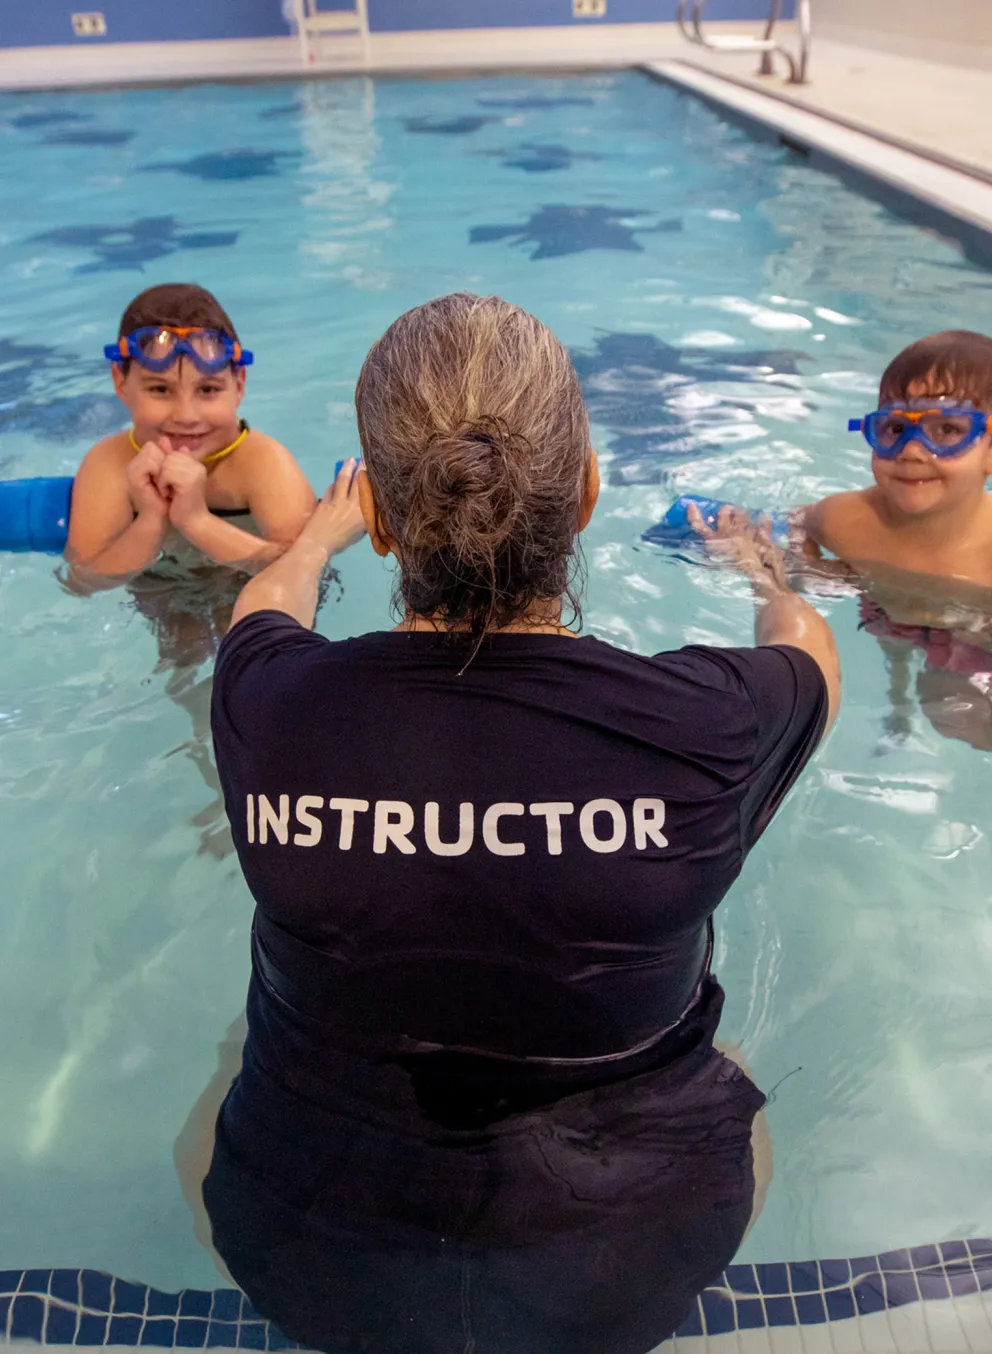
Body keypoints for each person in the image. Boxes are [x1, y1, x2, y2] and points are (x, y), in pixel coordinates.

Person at [202, 293, 840, 1354]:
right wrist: (769, 581)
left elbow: (263, 605)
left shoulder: (268, 706)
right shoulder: (712, 723)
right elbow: (808, 648)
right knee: (716, 1069)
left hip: (299, 1251)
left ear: (389, 522)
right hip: (624, 1269)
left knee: (250, 1035)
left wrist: (317, 537)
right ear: (584, 495)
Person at [65, 283, 317, 852]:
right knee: (183, 671)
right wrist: (152, 520)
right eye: (159, 389)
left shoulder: (261, 463)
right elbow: (84, 578)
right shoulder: (108, 465)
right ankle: (210, 775)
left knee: (249, 677)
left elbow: (304, 562)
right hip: (163, 585)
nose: (185, 416)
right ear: (120, 383)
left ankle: (261, 793)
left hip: (246, 589)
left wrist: (198, 518)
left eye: (208, 390)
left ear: (240, 385)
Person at [800, 329, 992, 749]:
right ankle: (897, 707)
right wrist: (820, 574)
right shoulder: (846, 520)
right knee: (895, 653)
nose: (911, 450)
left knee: (966, 719)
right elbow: (799, 526)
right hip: (887, 613)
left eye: (947, 430)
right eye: (893, 429)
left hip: (971, 636)